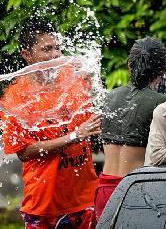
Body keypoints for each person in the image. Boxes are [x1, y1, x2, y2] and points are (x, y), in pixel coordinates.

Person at [0, 19, 99, 228]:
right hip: (43, 205)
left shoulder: (75, 80)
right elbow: (24, 153)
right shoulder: (14, 99)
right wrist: (74, 136)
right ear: (27, 55)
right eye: (47, 49)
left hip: (85, 198)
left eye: (57, 48)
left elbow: (94, 125)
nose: (55, 55)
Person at [96, 37, 166, 221]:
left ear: (130, 65)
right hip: (135, 190)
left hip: (105, 188)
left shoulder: (109, 97)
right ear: (161, 71)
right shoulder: (160, 103)